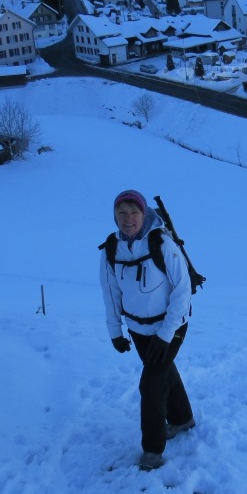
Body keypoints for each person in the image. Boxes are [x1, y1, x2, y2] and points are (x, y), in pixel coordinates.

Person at [100, 189, 195, 470]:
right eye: (122, 213)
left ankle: (152, 451)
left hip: (171, 326)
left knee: (151, 386)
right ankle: (183, 418)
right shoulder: (111, 250)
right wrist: (115, 332)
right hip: (138, 330)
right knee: (164, 372)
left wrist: (165, 336)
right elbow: (111, 293)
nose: (128, 218)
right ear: (115, 216)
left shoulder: (162, 243)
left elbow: (182, 290)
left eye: (134, 212)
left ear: (144, 214)